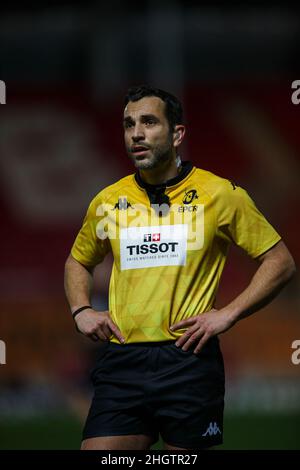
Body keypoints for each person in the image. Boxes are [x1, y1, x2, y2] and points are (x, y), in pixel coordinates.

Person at [64, 84, 296, 451]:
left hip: (188, 360)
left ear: (177, 134)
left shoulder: (220, 195)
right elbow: (78, 260)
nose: (136, 133)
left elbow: (280, 261)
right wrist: (81, 310)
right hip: (122, 360)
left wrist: (229, 314)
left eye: (149, 122)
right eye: (129, 124)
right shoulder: (108, 201)